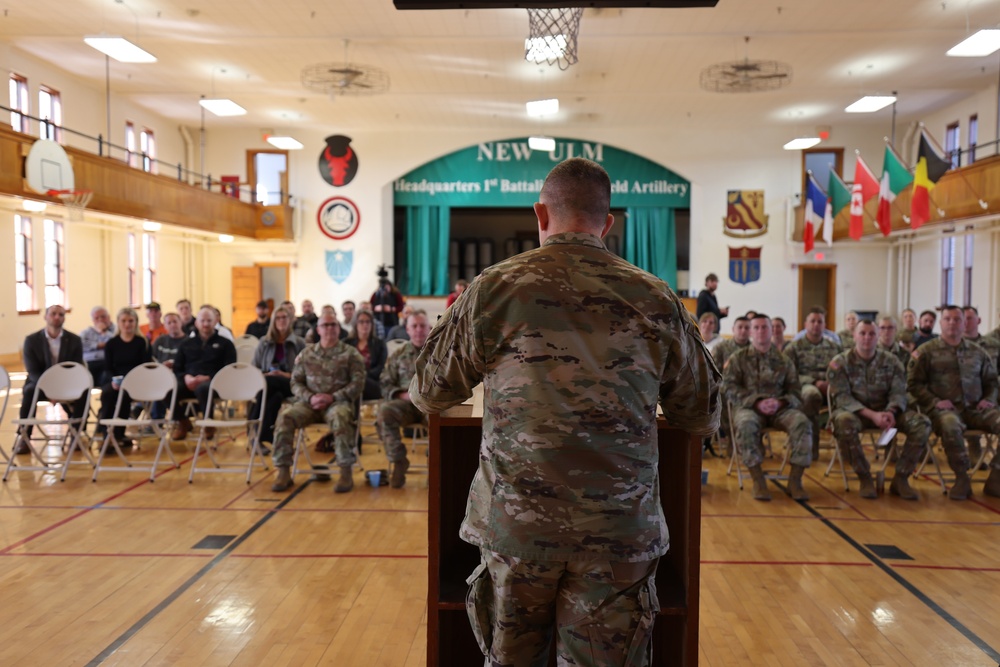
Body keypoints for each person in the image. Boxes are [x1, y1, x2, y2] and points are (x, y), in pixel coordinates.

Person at [409, 158, 720, 666]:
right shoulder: (655, 297)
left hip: (519, 531)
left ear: (540, 213)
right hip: (618, 534)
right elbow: (701, 411)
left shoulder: (493, 289)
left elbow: (429, 392)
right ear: (608, 222)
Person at [828, 319, 932, 499]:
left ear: (878, 337)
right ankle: (864, 477)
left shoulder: (892, 362)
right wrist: (872, 415)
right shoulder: (840, 363)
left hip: (888, 413)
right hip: (855, 413)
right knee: (843, 423)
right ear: (854, 336)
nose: (867, 338)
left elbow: (899, 392)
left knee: (921, 423)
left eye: (872, 334)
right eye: (862, 333)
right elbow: (842, 398)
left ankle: (901, 478)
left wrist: (891, 412)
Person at [907, 305, 1000, 499]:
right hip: (944, 411)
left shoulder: (978, 352)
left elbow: (991, 382)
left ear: (964, 323)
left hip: (976, 409)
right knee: (950, 425)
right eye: (947, 319)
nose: (952, 323)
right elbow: (913, 385)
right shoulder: (925, 352)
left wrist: (989, 400)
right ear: (940, 323)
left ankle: (996, 477)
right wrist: (934, 401)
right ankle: (962, 478)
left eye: (957, 319)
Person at [269, 314, 365, 493]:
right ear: (318, 330)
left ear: (338, 328)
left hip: (337, 403)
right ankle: (283, 471)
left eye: (333, 325)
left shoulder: (350, 354)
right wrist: (310, 397)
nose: (329, 328)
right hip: (309, 403)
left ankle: (345, 471)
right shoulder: (307, 354)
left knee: (341, 417)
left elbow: (358, 383)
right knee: (285, 417)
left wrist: (333, 397)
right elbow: (295, 382)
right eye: (325, 325)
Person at [725, 313, 812, 501]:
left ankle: (795, 480)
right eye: (756, 328)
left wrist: (781, 402)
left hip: (780, 409)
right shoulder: (738, 359)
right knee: (746, 424)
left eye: (765, 327)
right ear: (750, 332)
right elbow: (728, 388)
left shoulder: (784, 360)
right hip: (749, 407)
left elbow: (796, 391)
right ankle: (758, 480)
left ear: (772, 331)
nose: (760, 332)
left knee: (802, 422)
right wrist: (757, 402)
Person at [16, 305, 87, 453]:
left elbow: (75, 368)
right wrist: (49, 389)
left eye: (60, 314)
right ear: (45, 316)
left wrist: (58, 390)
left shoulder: (74, 340)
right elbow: (33, 371)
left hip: (66, 384)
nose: (57, 317)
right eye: (53, 314)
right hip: (40, 384)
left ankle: (76, 434)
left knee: (84, 391)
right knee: (29, 391)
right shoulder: (31, 340)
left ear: (64, 318)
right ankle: (25, 436)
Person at [376, 311, 431, 489]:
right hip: (405, 404)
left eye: (422, 326)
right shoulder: (398, 354)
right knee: (384, 413)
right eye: (414, 326)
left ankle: (435, 465)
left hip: (432, 406)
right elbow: (385, 382)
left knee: (442, 420)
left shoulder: (441, 352)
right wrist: (401, 394)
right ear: (407, 329)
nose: (418, 330)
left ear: (429, 328)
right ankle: (399, 461)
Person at [171, 307, 238, 440]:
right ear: (197, 323)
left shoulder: (226, 344)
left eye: (209, 320)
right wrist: (186, 377)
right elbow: (177, 368)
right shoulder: (186, 344)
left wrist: (208, 377)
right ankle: (182, 421)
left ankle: (208, 423)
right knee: (167, 389)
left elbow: (230, 369)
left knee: (203, 388)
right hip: (189, 383)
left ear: (215, 322)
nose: (206, 324)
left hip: (215, 383)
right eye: (202, 321)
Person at [784, 306, 842, 458]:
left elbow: (842, 370)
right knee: (811, 396)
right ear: (806, 324)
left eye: (820, 321)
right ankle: (811, 447)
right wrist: (815, 382)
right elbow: (789, 374)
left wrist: (832, 383)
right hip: (805, 386)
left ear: (824, 325)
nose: (816, 324)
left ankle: (846, 448)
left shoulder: (834, 347)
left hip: (831, 386)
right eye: (813, 321)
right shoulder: (794, 348)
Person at [95, 307, 152, 449]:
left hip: (136, 382)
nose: (127, 324)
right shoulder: (112, 344)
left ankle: (118, 433)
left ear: (135, 323)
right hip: (116, 381)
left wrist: (130, 381)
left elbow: (145, 367)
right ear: (118, 323)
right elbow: (108, 367)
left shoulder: (142, 343)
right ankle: (106, 433)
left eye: (130, 321)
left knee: (124, 394)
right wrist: (114, 381)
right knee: (107, 393)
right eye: (124, 321)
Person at [250, 306, 306, 448]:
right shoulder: (264, 342)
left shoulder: (299, 342)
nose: (281, 321)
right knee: (275, 396)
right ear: (273, 321)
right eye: (278, 318)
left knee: (267, 384)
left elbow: (306, 371)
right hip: (268, 383)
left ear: (290, 320)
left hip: (291, 383)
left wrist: (285, 374)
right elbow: (254, 367)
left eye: (284, 318)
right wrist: (266, 374)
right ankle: (266, 434)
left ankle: (253, 429)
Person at [346, 310, 387, 402]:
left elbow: (380, 367)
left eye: (368, 321)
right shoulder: (347, 343)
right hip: (349, 380)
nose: (365, 324)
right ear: (355, 324)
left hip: (372, 380)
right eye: (361, 321)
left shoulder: (379, 344)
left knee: (363, 383)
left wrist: (362, 376)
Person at [81, 305, 116, 386]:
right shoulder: (86, 332)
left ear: (109, 317)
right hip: (88, 363)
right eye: (97, 318)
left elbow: (115, 344)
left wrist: (104, 332)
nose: (100, 320)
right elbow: (80, 345)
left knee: (105, 375)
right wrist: (98, 345)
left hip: (106, 362)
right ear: (93, 320)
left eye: (103, 317)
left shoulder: (116, 330)